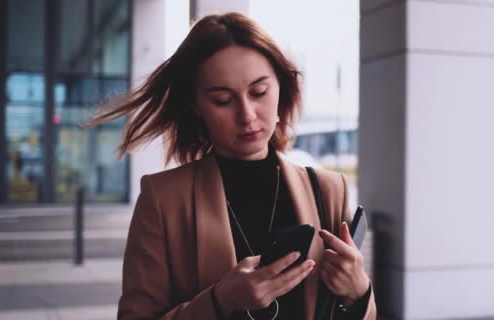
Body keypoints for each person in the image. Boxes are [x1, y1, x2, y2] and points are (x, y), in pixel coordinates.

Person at [87, 12, 377, 320]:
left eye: (259, 92)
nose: (247, 114)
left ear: (281, 86)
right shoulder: (163, 200)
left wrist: (358, 292)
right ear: (195, 105)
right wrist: (220, 300)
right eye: (223, 99)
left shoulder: (329, 190)